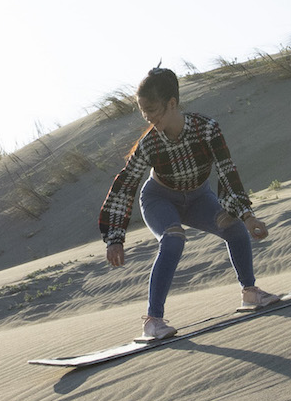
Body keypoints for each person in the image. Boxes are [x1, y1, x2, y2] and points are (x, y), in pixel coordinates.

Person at [99, 65, 280, 340]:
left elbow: (227, 171)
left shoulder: (206, 129)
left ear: (172, 103)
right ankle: (153, 321)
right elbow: (125, 186)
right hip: (159, 198)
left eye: (152, 109)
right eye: (142, 111)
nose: (147, 117)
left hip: (198, 197)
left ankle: (250, 293)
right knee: (173, 238)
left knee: (233, 228)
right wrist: (114, 237)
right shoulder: (149, 145)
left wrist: (247, 216)